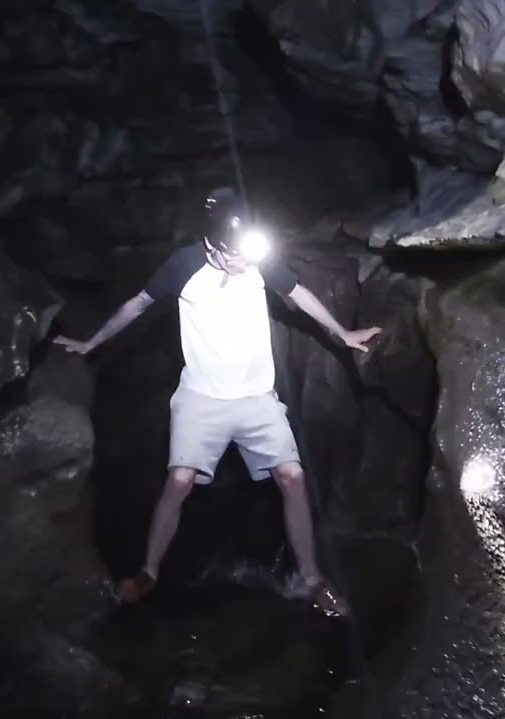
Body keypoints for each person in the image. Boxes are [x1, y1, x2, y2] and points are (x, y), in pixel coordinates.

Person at [52, 188, 382, 615]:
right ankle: (148, 573)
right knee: (180, 481)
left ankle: (311, 578)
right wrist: (89, 342)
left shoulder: (260, 262)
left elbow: (298, 293)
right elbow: (137, 305)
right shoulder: (184, 266)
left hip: (256, 397)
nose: (247, 263)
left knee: (293, 477)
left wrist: (343, 333)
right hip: (201, 398)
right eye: (236, 255)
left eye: (250, 254)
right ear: (213, 246)